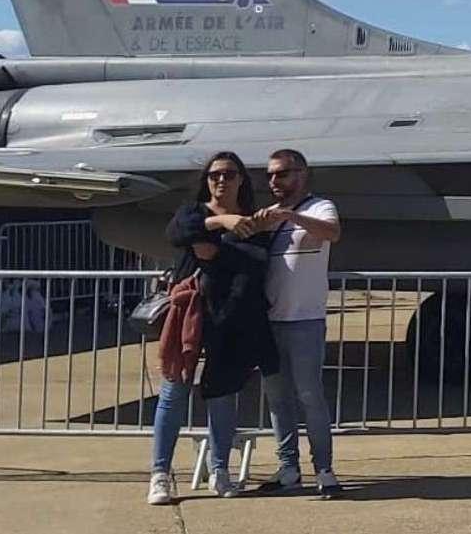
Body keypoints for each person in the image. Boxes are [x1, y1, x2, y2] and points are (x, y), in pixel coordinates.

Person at [148, 151, 278, 504]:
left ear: (241, 180)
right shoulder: (194, 211)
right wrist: (223, 224)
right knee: (173, 393)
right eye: (215, 174)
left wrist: (213, 249)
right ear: (206, 179)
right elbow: (178, 232)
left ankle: (220, 470)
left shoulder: (254, 223)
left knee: (222, 397)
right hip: (189, 315)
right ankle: (160, 474)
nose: (222, 180)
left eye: (230, 174)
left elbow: (255, 262)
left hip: (232, 318)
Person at [250, 148, 345, 498]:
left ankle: (325, 470)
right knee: (277, 399)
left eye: (282, 174)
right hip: (271, 320)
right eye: (271, 175)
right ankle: (288, 468)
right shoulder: (268, 215)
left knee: (310, 396)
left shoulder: (319, 206)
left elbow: (332, 232)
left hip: (305, 319)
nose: (275, 181)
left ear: (301, 174)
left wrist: (290, 216)